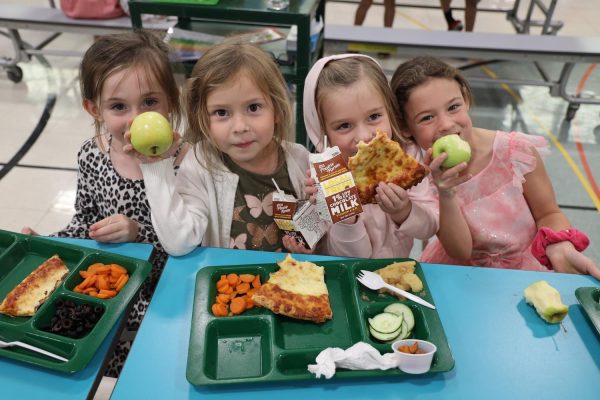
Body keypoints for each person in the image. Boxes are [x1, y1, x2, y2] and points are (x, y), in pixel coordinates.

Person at [23, 30, 186, 376]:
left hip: (169, 285)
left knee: (155, 366)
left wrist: (139, 233)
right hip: (111, 287)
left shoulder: (185, 160)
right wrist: (50, 243)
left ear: (171, 100)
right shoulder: (92, 155)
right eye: (118, 106)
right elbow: (84, 222)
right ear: (94, 109)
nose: (136, 118)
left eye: (150, 102)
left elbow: (196, 238)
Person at [390, 55, 600, 279]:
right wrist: (446, 192)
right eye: (427, 118)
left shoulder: (516, 152)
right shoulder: (422, 176)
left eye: (453, 107)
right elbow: (460, 250)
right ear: (405, 127)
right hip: (462, 275)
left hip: (524, 272)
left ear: (466, 99)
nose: (446, 124)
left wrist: (560, 246)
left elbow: (548, 213)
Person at [127, 40, 309, 256]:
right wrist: (155, 168)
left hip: (288, 283)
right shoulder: (200, 163)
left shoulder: (300, 159)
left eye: (253, 107)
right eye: (222, 113)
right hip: (226, 285)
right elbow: (179, 243)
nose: (240, 127)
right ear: (202, 118)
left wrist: (311, 244)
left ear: (277, 110)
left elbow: (318, 236)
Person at [303, 54, 439, 258]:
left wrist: (403, 211)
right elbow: (351, 259)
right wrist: (345, 216)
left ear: (389, 110)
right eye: (344, 126)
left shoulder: (406, 159)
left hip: (396, 275)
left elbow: (430, 228)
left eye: (374, 117)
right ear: (320, 130)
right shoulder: (325, 176)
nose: (364, 137)